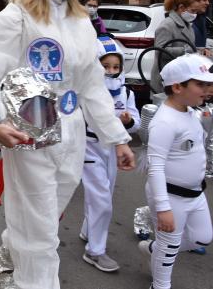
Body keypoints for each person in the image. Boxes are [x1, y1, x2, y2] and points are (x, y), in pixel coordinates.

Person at [0, 0, 134, 289]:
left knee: (43, 216)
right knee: (40, 233)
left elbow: (92, 86)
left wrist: (117, 139)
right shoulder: (16, 17)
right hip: (29, 134)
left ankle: (8, 256)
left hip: (72, 136)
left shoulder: (80, 20)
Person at [139, 54, 213, 289]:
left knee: (202, 238)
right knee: (170, 245)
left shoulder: (191, 112)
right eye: (200, 84)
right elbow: (156, 166)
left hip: (195, 194)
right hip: (171, 196)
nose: (208, 89)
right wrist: (163, 208)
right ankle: (160, 285)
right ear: (178, 87)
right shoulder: (164, 121)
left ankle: (155, 248)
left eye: (209, 84)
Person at [79, 36, 140, 273]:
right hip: (89, 148)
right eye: (105, 66)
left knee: (103, 196)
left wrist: (128, 120)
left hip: (114, 151)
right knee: (101, 200)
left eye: (115, 67)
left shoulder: (126, 92)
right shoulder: (85, 91)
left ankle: (88, 230)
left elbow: (134, 125)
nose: (111, 71)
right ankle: (95, 251)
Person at [151, 0, 202, 94]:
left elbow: (190, 47)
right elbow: (160, 50)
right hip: (166, 79)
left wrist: (199, 50)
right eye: (193, 11)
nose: (194, 15)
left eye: (196, 12)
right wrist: (186, 50)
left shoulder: (187, 24)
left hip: (180, 77)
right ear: (182, 8)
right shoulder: (167, 25)